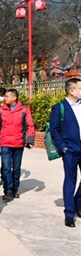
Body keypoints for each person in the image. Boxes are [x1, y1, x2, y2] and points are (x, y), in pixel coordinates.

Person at [48, 78, 81, 227]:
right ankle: (69, 214)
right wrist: (63, 147)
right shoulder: (59, 107)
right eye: (80, 88)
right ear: (71, 91)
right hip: (70, 150)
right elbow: (54, 129)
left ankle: (77, 203)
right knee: (70, 181)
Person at [0, 89, 35, 202]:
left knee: (16, 169)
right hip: (5, 143)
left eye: (7, 96)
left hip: (18, 143)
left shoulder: (24, 109)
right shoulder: (1, 110)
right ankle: (8, 191)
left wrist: (30, 140)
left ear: (14, 98)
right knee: (6, 168)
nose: (4, 98)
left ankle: (15, 189)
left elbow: (30, 125)